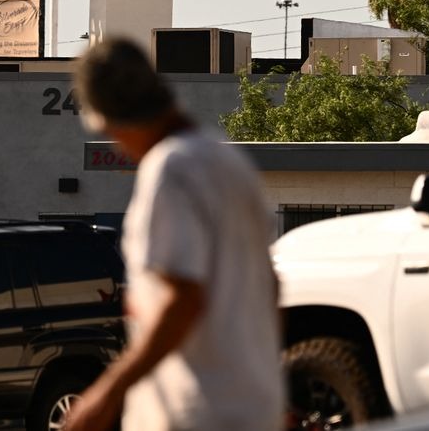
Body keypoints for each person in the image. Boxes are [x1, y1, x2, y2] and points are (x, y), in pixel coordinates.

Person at [66, 37, 284, 431]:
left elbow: (182, 300)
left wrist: (106, 393)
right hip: (253, 405)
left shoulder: (170, 169)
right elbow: (269, 284)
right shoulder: (226, 157)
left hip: (194, 410)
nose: (118, 148)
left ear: (113, 119)